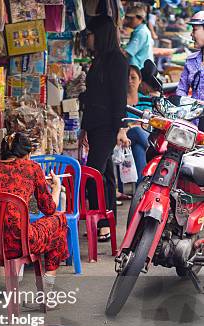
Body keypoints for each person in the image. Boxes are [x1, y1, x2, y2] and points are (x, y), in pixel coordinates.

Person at [0, 133, 68, 290]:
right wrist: (56, 188)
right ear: (27, 154)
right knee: (59, 219)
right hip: (19, 244)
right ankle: (48, 290)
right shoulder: (32, 168)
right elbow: (49, 209)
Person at [80, 15, 129, 243]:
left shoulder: (117, 61)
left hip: (108, 127)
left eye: (89, 34)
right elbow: (91, 97)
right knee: (106, 176)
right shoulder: (99, 59)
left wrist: (122, 128)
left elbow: (120, 98)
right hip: (95, 126)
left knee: (92, 174)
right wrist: (83, 129)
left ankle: (101, 221)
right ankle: (105, 223)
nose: (86, 38)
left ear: (100, 35)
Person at [121, 65, 153, 183]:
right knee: (136, 131)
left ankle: (141, 187)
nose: (130, 81)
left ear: (140, 80)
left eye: (133, 78)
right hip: (122, 138)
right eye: (127, 78)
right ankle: (153, 151)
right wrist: (132, 126)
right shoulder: (119, 100)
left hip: (139, 139)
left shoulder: (146, 100)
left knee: (138, 148)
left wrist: (131, 125)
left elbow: (148, 123)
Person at [176, 11, 204, 105]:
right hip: (193, 118)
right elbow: (181, 89)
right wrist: (184, 102)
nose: (191, 34)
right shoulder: (191, 61)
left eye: (194, 29)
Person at [124, 5, 155, 69]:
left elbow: (127, 53)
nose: (128, 20)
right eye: (128, 18)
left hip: (140, 69)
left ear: (140, 19)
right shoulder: (142, 30)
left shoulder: (141, 32)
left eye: (131, 18)